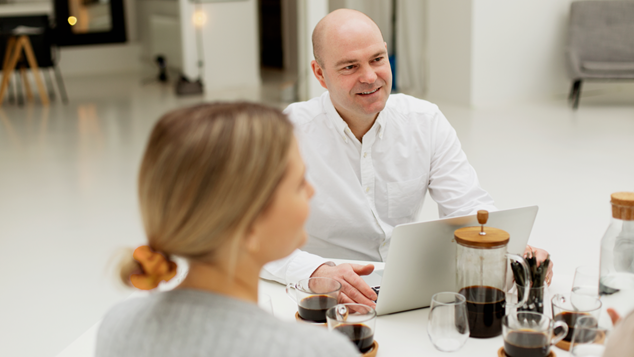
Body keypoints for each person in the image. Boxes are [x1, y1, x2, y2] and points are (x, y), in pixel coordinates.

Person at [261, 9, 553, 307]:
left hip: (409, 293)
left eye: (377, 59)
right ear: (320, 74)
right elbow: (249, 236)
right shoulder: (287, 134)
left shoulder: (425, 121)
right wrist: (316, 272)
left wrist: (510, 250)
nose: (370, 77)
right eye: (350, 67)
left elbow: (467, 208)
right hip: (326, 297)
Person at [96, 103, 359, 357]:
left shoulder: (117, 325)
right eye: (299, 183)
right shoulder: (316, 351)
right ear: (250, 226)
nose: (311, 192)